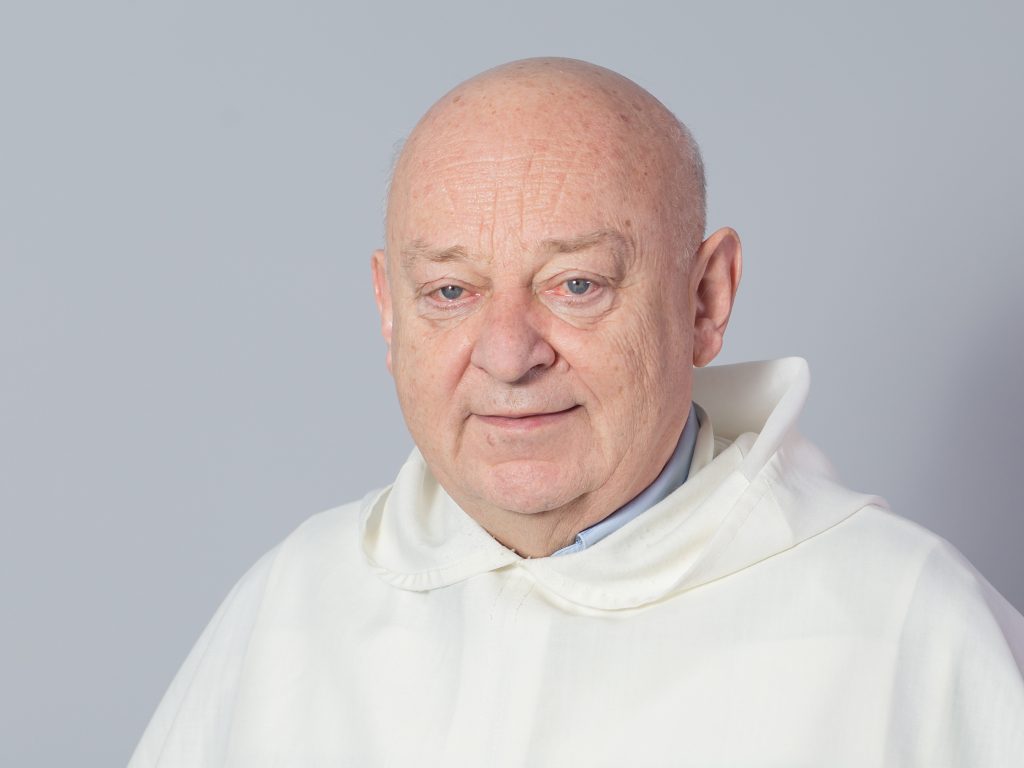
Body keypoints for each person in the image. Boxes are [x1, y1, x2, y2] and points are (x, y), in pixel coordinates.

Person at [129, 58, 1024, 766]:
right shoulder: (292, 608)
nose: (508, 354)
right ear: (389, 311)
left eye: (577, 284)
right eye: (450, 291)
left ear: (705, 298)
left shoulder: (906, 627)